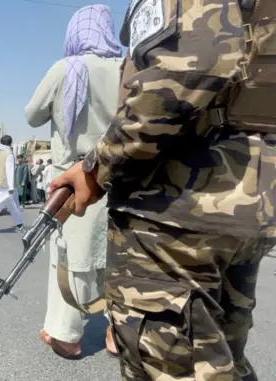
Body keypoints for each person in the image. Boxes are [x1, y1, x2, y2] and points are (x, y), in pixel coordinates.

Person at [49, 1, 275, 379]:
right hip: (249, 194)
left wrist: (96, 168)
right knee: (219, 359)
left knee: (172, 365)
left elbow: (191, 63)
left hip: (179, 203)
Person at [25, 4, 122, 359]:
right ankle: (118, 333)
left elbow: (32, 114)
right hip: (118, 177)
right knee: (115, 256)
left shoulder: (67, 68)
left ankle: (66, 334)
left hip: (73, 180)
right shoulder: (126, 68)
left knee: (72, 257)